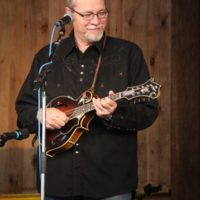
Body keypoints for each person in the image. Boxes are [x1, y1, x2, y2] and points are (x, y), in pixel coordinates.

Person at [15, 0, 159, 199]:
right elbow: (24, 110)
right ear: (69, 14)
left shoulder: (128, 54)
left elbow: (149, 112)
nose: (96, 21)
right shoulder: (47, 57)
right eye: (88, 14)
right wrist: (40, 114)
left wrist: (114, 113)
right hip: (57, 182)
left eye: (102, 13)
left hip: (111, 185)